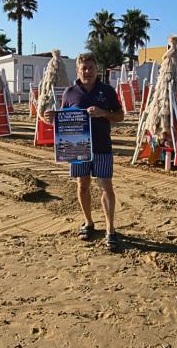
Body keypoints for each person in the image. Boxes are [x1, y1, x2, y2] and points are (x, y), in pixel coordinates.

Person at [44, 53, 124, 251]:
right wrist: (51, 117)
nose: (87, 71)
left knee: (106, 186)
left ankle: (110, 230)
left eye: (90, 67)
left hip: (102, 146)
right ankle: (88, 223)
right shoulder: (69, 92)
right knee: (82, 185)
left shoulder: (107, 91)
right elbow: (63, 118)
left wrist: (103, 113)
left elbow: (120, 116)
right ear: (78, 70)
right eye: (83, 68)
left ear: (96, 69)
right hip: (77, 148)